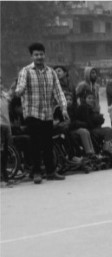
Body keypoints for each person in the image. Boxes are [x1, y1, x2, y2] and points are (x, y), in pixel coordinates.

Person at [14, 42, 68, 183]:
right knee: (35, 144)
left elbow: (58, 91)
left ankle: (50, 171)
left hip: (47, 113)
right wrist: (18, 91)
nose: (39, 57)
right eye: (36, 55)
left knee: (47, 144)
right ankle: (36, 172)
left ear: (45, 55)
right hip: (32, 113)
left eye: (41, 54)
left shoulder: (51, 72)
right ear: (32, 56)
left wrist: (64, 107)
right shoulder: (25, 71)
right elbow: (20, 88)